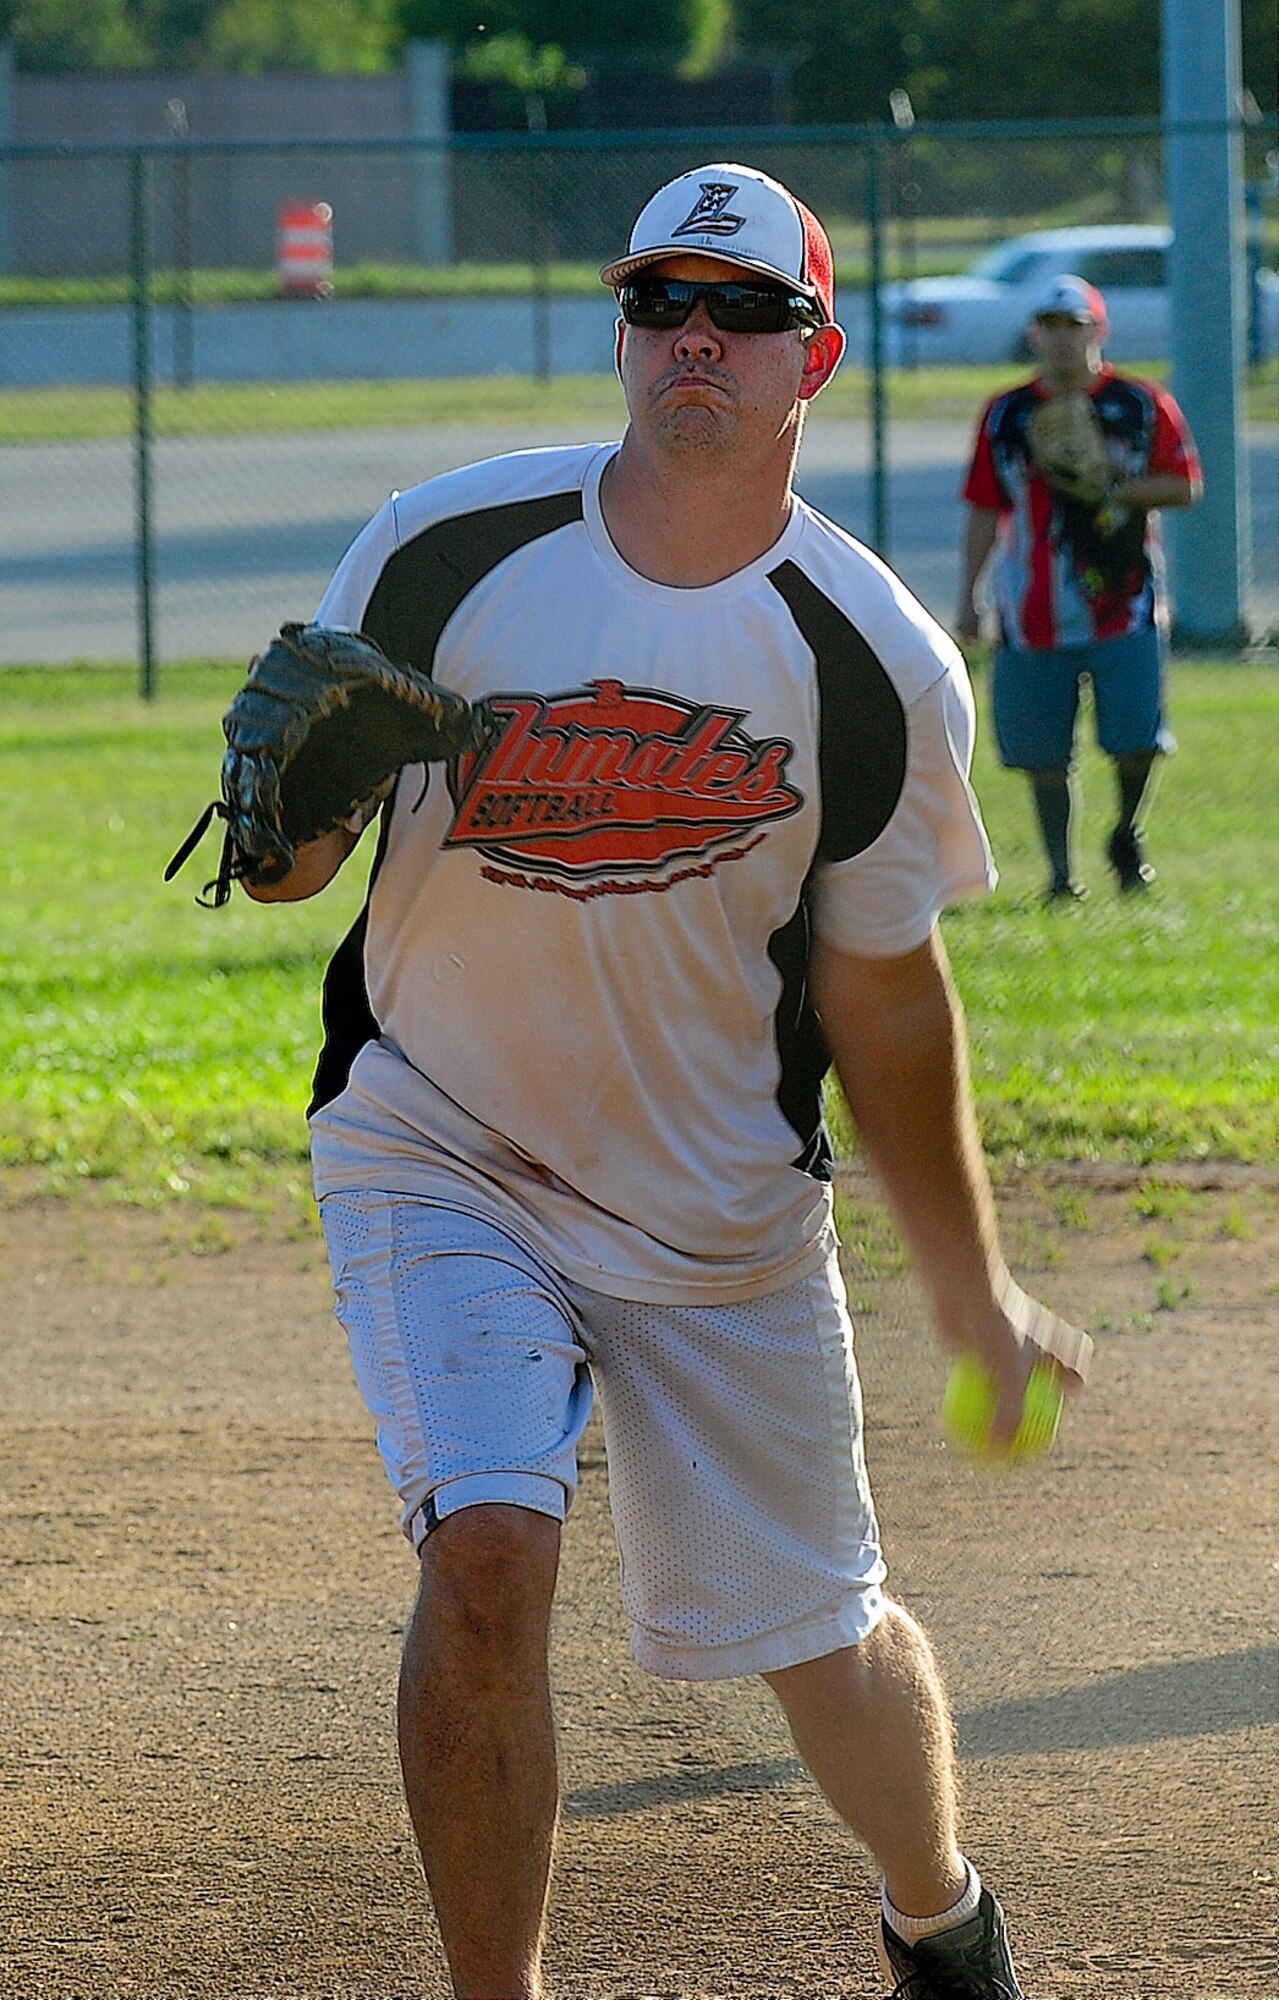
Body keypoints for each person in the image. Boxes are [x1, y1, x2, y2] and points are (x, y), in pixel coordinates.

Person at [246, 163, 1089, 1999]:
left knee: (819, 1641)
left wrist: (970, 1297)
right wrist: (285, 816)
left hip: (714, 1210)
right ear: (621, 330)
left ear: (816, 362)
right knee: (484, 1555)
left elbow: (881, 1000)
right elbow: (293, 870)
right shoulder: (442, 549)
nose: (692, 339)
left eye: (745, 312)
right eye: (658, 301)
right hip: (438, 1136)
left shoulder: (866, 658)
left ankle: (938, 1916)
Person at [957, 274, 1202, 901]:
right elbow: (985, 507)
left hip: (1125, 605)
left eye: (1075, 327)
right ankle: (1061, 878)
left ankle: (1126, 834)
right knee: (1040, 752)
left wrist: (1111, 486)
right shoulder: (1008, 413)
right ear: (1035, 334)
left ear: (1099, 331)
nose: (1063, 340)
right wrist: (970, 595)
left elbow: (1183, 485)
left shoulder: (1138, 404)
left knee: (1137, 740)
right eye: (1051, 327)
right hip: (1030, 611)